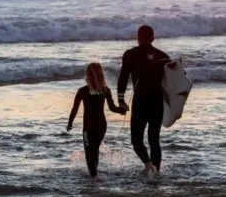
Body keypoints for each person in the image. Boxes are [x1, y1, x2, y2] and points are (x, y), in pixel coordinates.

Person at [117, 25, 169, 175]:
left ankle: (148, 165)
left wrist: (121, 100)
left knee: (136, 139)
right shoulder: (163, 56)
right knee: (154, 139)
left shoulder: (130, 54)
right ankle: (157, 172)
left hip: (140, 101)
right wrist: (173, 106)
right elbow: (173, 83)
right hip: (157, 102)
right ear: (153, 37)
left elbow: (123, 78)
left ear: (137, 37)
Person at [67, 62, 125, 179]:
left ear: (87, 74)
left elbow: (75, 109)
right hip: (101, 126)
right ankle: (95, 175)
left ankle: (93, 177)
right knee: (95, 150)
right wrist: (121, 110)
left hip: (89, 126)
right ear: (101, 74)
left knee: (89, 152)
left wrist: (70, 123)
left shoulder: (82, 91)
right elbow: (112, 108)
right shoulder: (105, 90)